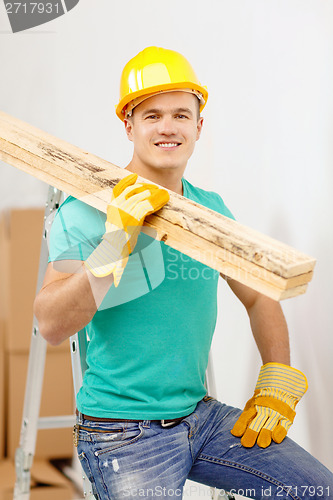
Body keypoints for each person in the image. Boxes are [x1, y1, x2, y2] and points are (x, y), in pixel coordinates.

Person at [34, 46, 333, 499]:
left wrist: (278, 377)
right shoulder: (87, 213)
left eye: (180, 114)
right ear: (128, 125)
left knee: (316, 489)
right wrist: (115, 244)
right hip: (123, 432)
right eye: (152, 115)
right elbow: (50, 325)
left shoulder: (210, 210)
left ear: (198, 125)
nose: (167, 127)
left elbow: (257, 296)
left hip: (200, 415)